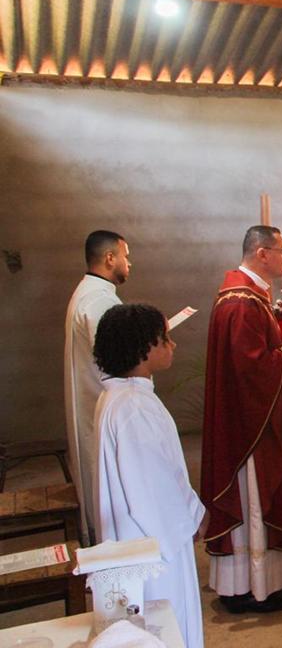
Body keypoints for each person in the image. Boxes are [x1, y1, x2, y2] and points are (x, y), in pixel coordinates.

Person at [200, 226, 282, 614]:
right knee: (251, 498)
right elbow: (252, 370)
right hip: (248, 428)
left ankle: (249, 583)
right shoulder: (242, 303)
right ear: (261, 253)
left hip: (245, 418)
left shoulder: (245, 295)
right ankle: (250, 588)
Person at [92, 304, 206, 648]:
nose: (173, 345)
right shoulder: (133, 406)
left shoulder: (122, 396)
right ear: (144, 347)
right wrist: (194, 517)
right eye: (165, 339)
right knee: (165, 621)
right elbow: (152, 488)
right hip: (152, 546)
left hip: (138, 537)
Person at [64, 230, 131, 544]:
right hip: (103, 405)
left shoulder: (89, 292)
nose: (129, 263)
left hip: (95, 401)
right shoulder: (99, 300)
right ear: (109, 258)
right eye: (126, 256)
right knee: (109, 486)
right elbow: (115, 358)